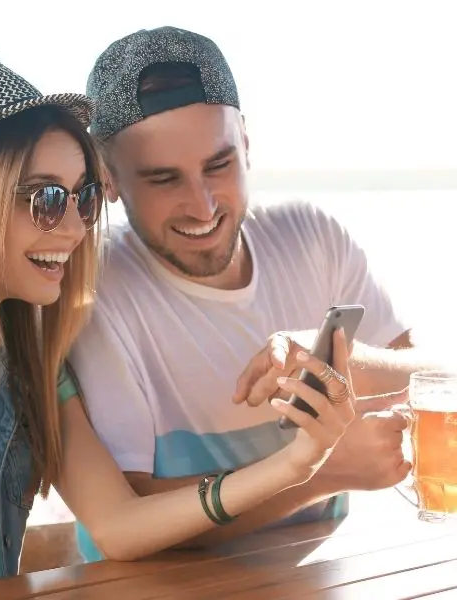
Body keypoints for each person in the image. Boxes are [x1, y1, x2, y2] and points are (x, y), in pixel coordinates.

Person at [0, 49, 356, 599]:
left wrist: (299, 463)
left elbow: (118, 523)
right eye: (47, 199)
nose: (74, 228)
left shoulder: (31, 352)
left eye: (85, 197)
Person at [69, 26, 437, 562]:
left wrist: (343, 358)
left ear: (245, 140)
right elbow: (135, 519)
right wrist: (322, 473)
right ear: (109, 180)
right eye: (163, 179)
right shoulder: (94, 291)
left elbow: (437, 380)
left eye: (218, 165)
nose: (202, 206)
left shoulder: (313, 237)